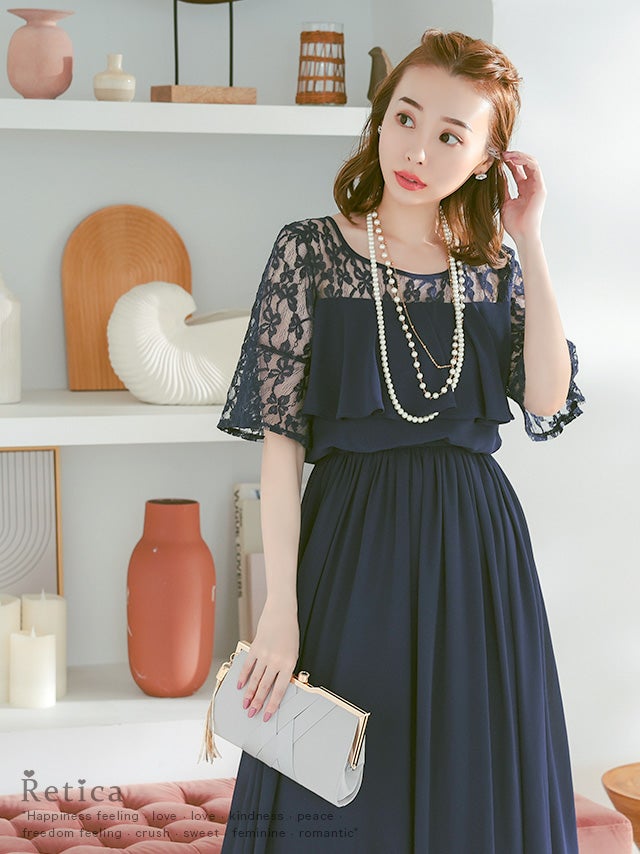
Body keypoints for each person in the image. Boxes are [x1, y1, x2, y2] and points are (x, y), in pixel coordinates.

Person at [217, 28, 584, 854]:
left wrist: (529, 240)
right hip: (352, 543)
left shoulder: (492, 265)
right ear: (380, 119)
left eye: (452, 136)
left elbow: (546, 396)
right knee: (339, 786)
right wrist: (279, 609)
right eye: (406, 118)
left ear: (487, 160)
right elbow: (279, 444)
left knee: (471, 776)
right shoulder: (309, 252)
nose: (417, 150)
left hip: (477, 552)